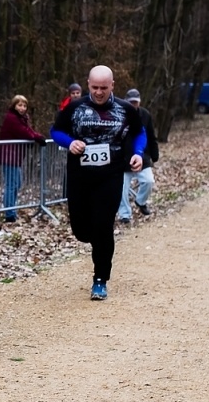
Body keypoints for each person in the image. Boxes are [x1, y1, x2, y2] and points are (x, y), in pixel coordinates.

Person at [51, 66, 145, 301]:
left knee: (103, 226)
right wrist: (69, 142)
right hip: (79, 176)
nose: (99, 92)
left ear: (112, 85)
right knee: (82, 231)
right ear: (88, 84)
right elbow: (55, 131)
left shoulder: (124, 109)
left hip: (110, 176)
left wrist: (139, 153)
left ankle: (100, 279)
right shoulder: (74, 107)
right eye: (95, 88)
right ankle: (98, 241)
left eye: (104, 88)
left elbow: (140, 132)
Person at [0, 94, 44, 222]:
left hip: (16, 156)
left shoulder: (22, 118)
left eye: (24, 105)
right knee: (11, 184)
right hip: (9, 155)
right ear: (14, 106)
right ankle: (9, 213)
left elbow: (28, 130)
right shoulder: (11, 118)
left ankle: (12, 209)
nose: (22, 108)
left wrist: (38, 136)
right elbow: (23, 132)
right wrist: (37, 138)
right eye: (20, 105)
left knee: (17, 183)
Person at [117, 88, 158, 223]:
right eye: (131, 102)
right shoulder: (119, 114)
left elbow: (151, 135)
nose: (133, 105)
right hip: (123, 157)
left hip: (142, 156)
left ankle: (141, 201)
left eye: (135, 102)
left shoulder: (145, 115)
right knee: (122, 187)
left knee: (148, 181)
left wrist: (154, 153)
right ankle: (124, 214)